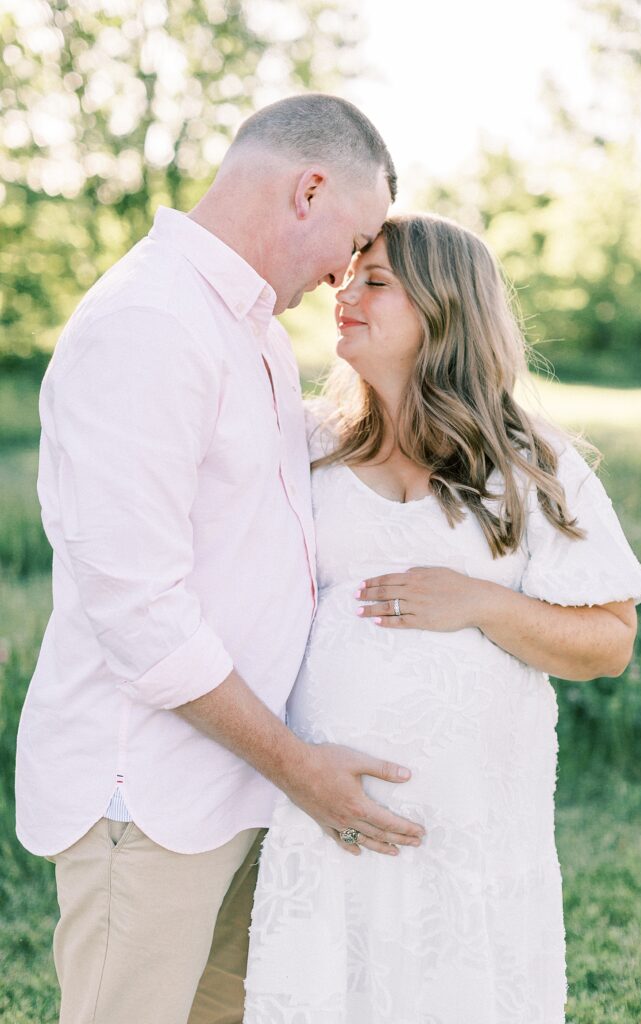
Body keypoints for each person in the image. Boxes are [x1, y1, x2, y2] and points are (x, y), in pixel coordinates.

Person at [15, 95, 427, 1024]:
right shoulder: (149, 323)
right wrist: (297, 766)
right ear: (308, 188)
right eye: (353, 239)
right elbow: (141, 616)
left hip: (236, 782)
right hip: (148, 796)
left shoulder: (247, 330)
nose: (344, 274)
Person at [243, 213, 641, 1023]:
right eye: (347, 277)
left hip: (474, 827)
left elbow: (609, 644)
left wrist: (482, 603)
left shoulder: (530, 462)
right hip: (326, 819)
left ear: (442, 307)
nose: (343, 296)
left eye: (375, 282)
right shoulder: (303, 443)